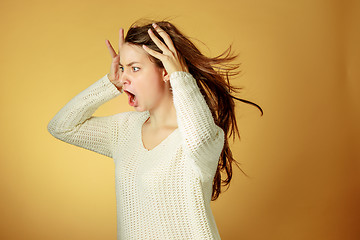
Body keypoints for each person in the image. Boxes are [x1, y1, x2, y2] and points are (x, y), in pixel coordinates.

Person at [47, 20, 263, 240]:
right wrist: (110, 83)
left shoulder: (202, 136)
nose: (124, 77)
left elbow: (199, 140)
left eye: (135, 68)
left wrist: (181, 76)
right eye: (122, 68)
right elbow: (61, 127)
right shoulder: (124, 130)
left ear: (166, 71)